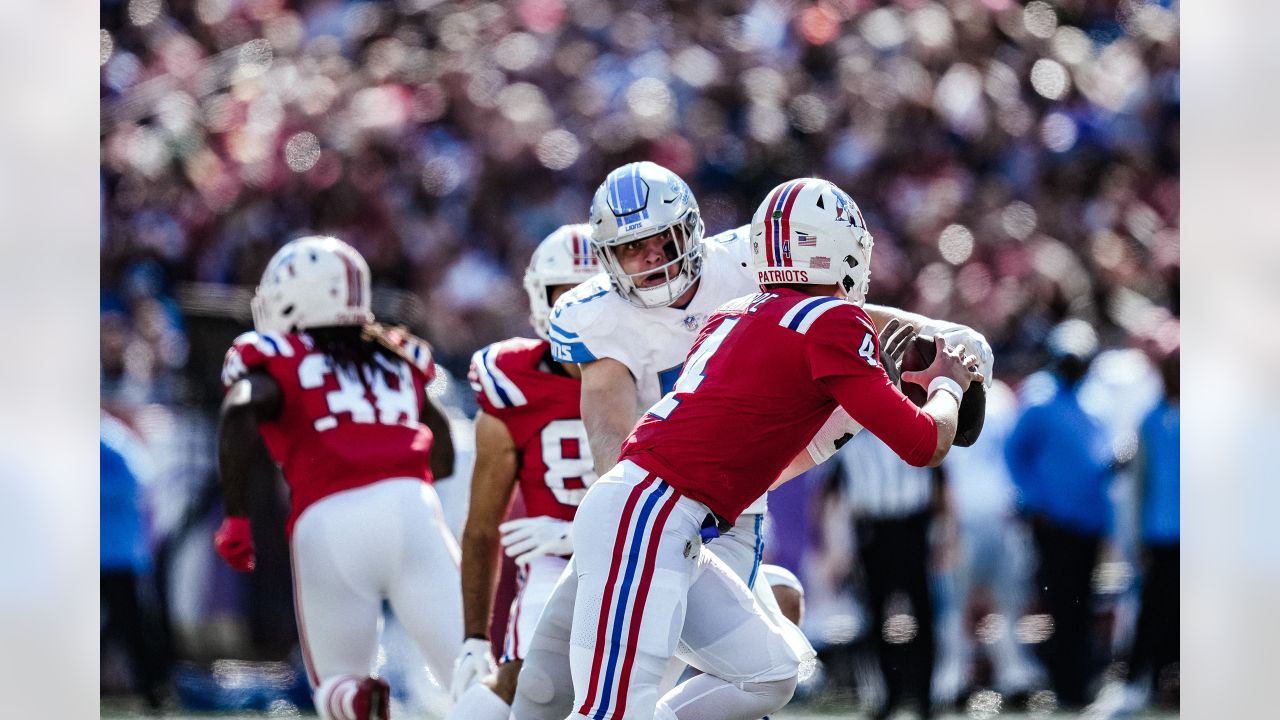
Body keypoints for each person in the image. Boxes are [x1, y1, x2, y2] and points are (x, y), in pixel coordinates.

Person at [512, 164, 992, 720]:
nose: (650, 258)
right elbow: (924, 443)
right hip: (649, 508)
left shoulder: (732, 312)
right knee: (600, 706)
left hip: (683, 513)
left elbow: (783, 426)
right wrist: (947, 385)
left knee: (771, 673)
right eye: (631, 248)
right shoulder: (833, 324)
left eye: (659, 241)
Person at [213, 236, 461, 720]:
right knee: (472, 672)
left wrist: (237, 517)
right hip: (414, 507)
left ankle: (354, 698)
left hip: (330, 517)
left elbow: (239, 410)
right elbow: (442, 440)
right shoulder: (395, 354)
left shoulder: (276, 353)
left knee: (335, 685)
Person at [447, 225, 601, 720]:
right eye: (567, 296)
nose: (578, 310)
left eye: (592, 295)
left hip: (645, 554)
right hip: (554, 567)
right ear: (541, 300)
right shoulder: (512, 380)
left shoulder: (658, 370)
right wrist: (474, 637)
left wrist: (581, 532)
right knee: (528, 681)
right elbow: (482, 525)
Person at [1004, 319, 1115, 709]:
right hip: (1054, 522)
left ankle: (1079, 684)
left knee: (1083, 603)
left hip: (1089, 521)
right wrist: (1035, 503)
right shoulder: (1039, 398)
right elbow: (1015, 456)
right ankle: (1065, 684)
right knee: (1061, 603)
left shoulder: (1096, 399)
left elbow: (1099, 456)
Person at [838, 431, 942, 719]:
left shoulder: (913, 418)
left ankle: (924, 696)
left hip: (912, 525)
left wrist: (947, 536)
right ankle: (887, 694)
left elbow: (940, 480)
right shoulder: (849, 432)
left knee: (923, 614)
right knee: (875, 615)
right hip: (872, 530)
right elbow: (832, 491)